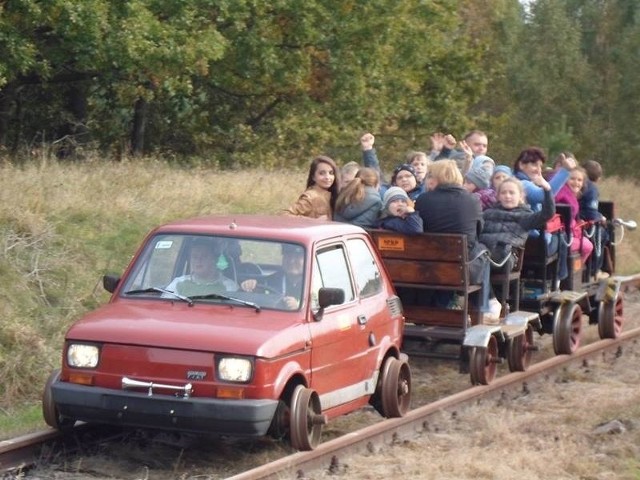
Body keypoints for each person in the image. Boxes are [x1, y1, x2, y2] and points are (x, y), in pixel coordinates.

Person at [415, 160, 490, 313]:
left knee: (445, 257)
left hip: (428, 265)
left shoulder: (423, 200)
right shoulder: (472, 199)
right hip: (460, 266)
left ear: (437, 178)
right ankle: (484, 308)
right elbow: (478, 231)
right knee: (483, 253)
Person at [480, 176, 555, 267]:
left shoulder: (525, 216)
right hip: (483, 250)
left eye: (511, 193)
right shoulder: (488, 213)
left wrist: (547, 189)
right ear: (498, 196)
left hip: (505, 255)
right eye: (503, 193)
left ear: (520, 196)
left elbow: (547, 213)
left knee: (481, 262)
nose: (507, 196)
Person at [165, 238, 238, 297]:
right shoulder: (178, 283)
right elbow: (164, 308)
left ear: (213, 259)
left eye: (204, 256)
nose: (198, 260)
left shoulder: (229, 286)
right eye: (194, 257)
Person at [241, 244, 305, 310]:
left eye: (297, 257)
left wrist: (299, 307)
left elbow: (314, 309)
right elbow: (255, 300)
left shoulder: (313, 284)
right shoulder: (270, 281)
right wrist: (250, 285)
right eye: (288, 256)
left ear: (307, 260)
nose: (291, 261)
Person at [555, 167, 593, 264]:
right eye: (572, 179)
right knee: (587, 246)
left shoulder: (571, 195)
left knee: (586, 242)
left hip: (568, 234)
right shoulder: (562, 194)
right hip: (563, 237)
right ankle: (575, 270)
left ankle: (574, 269)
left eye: (579, 180)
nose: (576, 182)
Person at [284, 155, 340, 219]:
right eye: (322, 173)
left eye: (331, 173)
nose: (327, 177)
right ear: (313, 177)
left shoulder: (333, 195)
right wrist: (313, 221)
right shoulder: (310, 197)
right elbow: (285, 215)